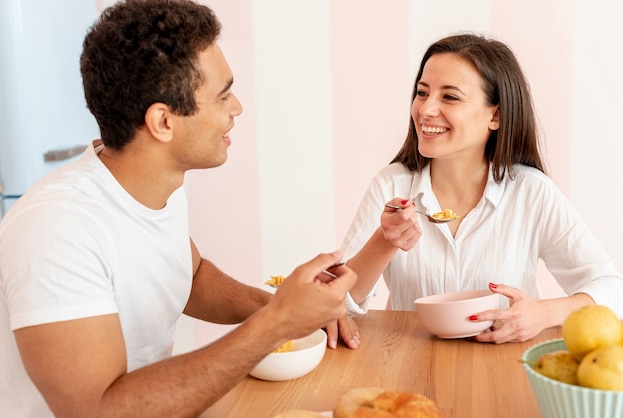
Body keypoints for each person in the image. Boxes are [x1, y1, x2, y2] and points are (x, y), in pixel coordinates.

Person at [0, 1, 359, 417]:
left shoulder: (154, 183)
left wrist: (287, 311)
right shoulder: (56, 229)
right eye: (223, 95)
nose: (237, 107)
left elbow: (188, 274)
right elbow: (96, 410)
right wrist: (276, 323)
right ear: (163, 123)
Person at [340, 33, 623, 344]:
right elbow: (337, 304)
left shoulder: (532, 192)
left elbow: (612, 290)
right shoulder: (391, 185)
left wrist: (545, 313)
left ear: (496, 115)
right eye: (423, 93)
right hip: (411, 362)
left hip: (504, 366)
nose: (425, 110)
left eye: (449, 97)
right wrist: (385, 241)